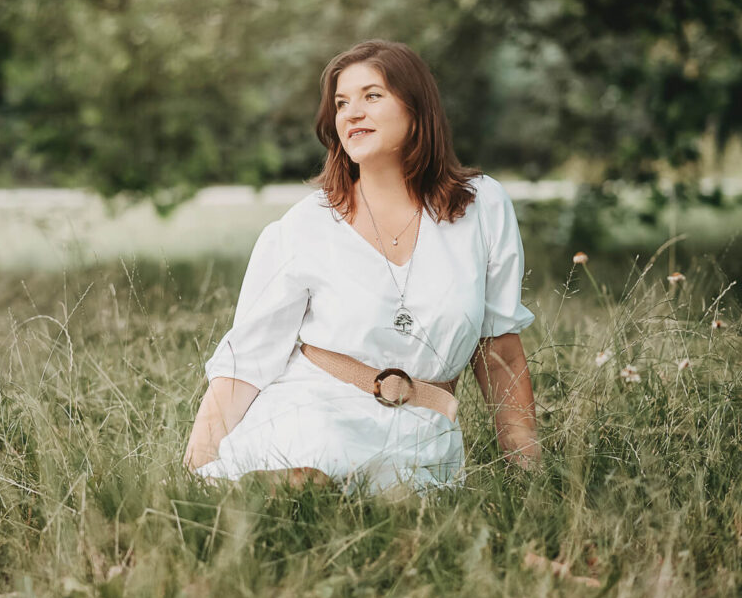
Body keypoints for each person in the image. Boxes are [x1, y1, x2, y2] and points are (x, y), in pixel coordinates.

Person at [182, 39, 540, 494]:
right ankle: (256, 490)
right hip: (311, 413)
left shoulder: (482, 206)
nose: (352, 113)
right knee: (311, 478)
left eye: (372, 96)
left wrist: (529, 477)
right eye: (341, 103)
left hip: (421, 432)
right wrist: (194, 472)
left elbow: (500, 349)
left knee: (395, 503)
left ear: (417, 109)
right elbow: (245, 362)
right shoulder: (305, 225)